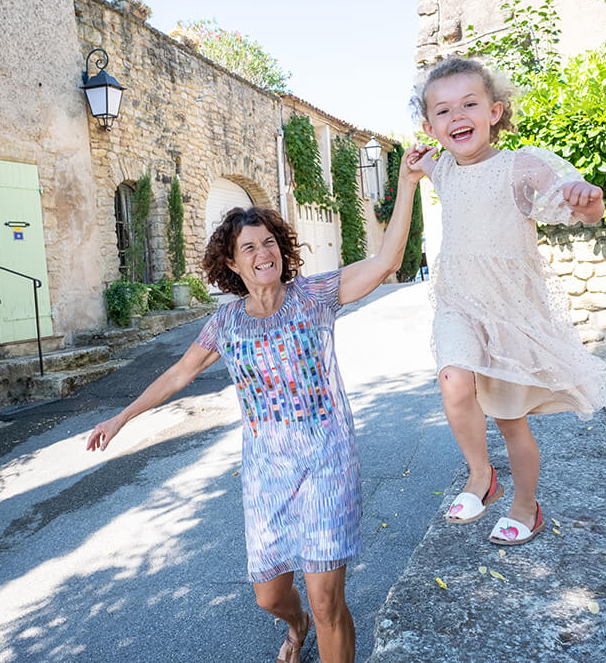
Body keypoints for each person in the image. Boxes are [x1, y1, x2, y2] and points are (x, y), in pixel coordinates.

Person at [86, 154, 428, 663]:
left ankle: (316, 620)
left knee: (326, 595)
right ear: (231, 263)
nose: (262, 252)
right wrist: (122, 417)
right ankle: (297, 625)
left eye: (269, 241)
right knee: (269, 595)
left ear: (280, 249)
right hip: (266, 471)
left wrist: (406, 183)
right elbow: (180, 373)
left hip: (327, 460)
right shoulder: (226, 325)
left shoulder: (314, 296)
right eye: (249, 247)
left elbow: (385, 262)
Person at [410, 56, 606, 546]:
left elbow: (576, 205)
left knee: (510, 420)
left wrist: (589, 198)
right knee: (453, 380)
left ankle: (526, 506)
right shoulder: (445, 171)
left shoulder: (520, 166)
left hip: (507, 312)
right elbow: (430, 169)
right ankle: (481, 476)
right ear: (429, 124)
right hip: (458, 304)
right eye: (443, 110)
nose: (457, 116)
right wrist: (417, 166)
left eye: (470, 104)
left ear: (495, 111)